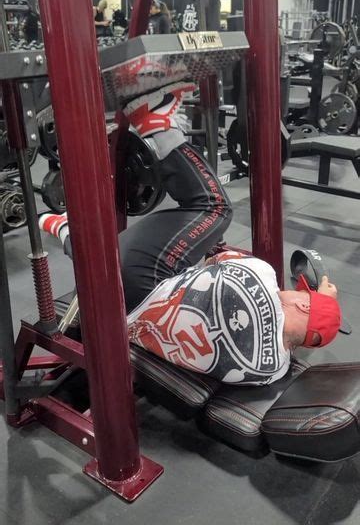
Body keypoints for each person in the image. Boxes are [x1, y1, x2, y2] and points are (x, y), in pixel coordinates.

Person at [39, 82, 342, 386]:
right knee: (194, 254)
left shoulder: (261, 277)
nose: (291, 290)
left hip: (139, 280)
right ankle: (69, 232)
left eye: (302, 294)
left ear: (303, 306)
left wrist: (321, 299)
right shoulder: (271, 369)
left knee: (214, 209)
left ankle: (152, 121)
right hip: (130, 318)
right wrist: (320, 307)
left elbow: (218, 256)